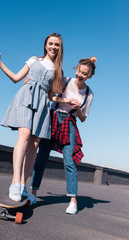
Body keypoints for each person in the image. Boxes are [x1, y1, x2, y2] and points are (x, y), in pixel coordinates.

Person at [0, 33, 64, 202]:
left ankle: (23, 186)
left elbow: (52, 95)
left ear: (60, 48)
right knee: (24, 135)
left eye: (57, 45)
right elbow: (16, 78)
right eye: (51, 44)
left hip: (42, 104)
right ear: (46, 45)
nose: (53, 47)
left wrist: (66, 100)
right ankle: (15, 183)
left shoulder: (58, 70)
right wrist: (0, 63)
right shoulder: (34, 60)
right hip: (27, 96)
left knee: (34, 144)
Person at [22, 57, 97, 214]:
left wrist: (76, 108)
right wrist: (66, 100)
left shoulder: (89, 94)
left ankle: (73, 201)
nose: (80, 75)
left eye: (84, 73)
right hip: (52, 118)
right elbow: (51, 96)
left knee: (69, 162)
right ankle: (33, 194)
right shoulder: (65, 80)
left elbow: (83, 118)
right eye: (78, 71)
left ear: (89, 75)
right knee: (41, 157)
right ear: (76, 69)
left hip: (69, 122)